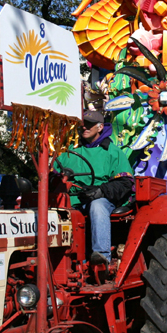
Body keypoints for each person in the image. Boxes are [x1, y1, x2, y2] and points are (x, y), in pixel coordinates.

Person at [55, 110, 133, 265]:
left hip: (102, 199)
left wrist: (101, 191)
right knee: (54, 208)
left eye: (89, 125)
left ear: (100, 127)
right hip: (73, 198)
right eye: (82, 125)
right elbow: (54, 175)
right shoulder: (69, 151)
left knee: (97, 206)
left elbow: (125, 183)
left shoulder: (113, 152)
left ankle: (101, 258)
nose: (84, 127)